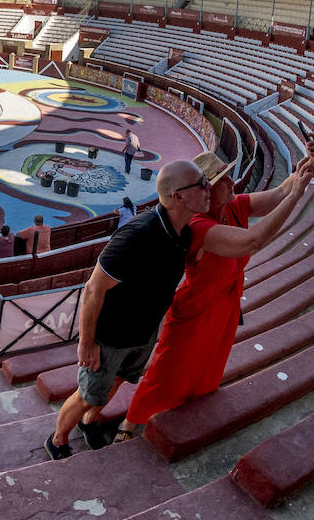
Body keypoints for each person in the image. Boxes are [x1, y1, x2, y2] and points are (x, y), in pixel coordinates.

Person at [114, 141, 314, 443]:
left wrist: (307, 166)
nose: (231, 181)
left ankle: (186, 414)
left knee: (208, 368)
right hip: (196, 311)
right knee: (166, 372)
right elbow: (254, 240)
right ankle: (131, 423)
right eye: (222, 180)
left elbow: (279, 194)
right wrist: (298, 193)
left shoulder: (233, 206)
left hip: (224, 307)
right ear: (206, 192)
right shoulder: (200, 225)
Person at [44, 160, 209, 460]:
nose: (208, 187)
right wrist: (86, 342)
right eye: (202, 184)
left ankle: (89, 422)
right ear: (178, 196)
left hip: (142, 332)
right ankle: (57, 439)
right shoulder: (137, 236)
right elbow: (93, 289)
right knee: (87, 394)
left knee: (117, 382)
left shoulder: (183, 231)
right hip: (109, 337)